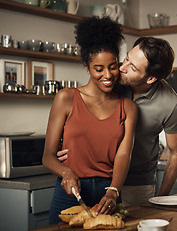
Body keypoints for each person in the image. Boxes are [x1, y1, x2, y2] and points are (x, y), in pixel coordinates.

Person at [58, 37, 177, 207]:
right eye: (126, 58)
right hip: (97, 178)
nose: (122, 67)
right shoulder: (111, 76)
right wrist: (66, 144)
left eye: (132, 67)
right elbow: (82, 114)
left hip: (137, 184)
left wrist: (162, 198)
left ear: (150, 78)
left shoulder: (170, 104)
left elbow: (176, 152)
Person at [43, 16, 137, 224]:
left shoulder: (128, 108)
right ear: (87, 67)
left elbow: (123, 155)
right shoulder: (66, 98)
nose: (108, 75)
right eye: (99, 69)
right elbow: (48, 156)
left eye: (113, 66)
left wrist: (114, 190)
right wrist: (66, 172)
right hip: (69, 193)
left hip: (109, 194)